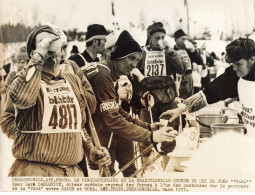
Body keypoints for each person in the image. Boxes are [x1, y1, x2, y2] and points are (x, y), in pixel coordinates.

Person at [3, 25, 111, 177]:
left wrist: (90, 149)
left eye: (56, 48)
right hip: (37, 172)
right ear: (34, 53)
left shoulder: (71, 79)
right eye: (45, 49)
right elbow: (21, 98)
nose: (53, 55)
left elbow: (78, 125)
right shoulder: (24, 80)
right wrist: (29, 139)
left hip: (72, 172)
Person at [84, 30, 178, 176]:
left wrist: (148, 126)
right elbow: (112, 119)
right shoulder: (102, 75)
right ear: (118, 56)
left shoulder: (106, 73)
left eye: (137, 61)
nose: (134, 65)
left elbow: (117, 110)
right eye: (131, 59)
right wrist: (150, 136)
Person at [161, 37, 255, 137]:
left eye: (238, 64)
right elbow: (209, 93)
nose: (234, 68)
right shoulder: (234, 75)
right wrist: (181, 108)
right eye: (232, 64)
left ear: (252, 60)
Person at [131, 22, 185, 169]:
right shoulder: (142, 53)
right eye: (157, 37)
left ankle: (166, 168)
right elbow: (134, 74)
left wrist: (172, 52)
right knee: (147, 134)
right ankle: (146, 169)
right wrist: (138, 98)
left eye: (163, 37)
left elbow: (181, 69)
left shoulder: (168, 53)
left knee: (168, 136)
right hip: (148, 99)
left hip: (167, 100)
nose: (160, 40)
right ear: (150, 38)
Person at [173, 29, 203, 99]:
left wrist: (193, 50)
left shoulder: (188, 51)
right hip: (180, 80)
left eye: (186, 39)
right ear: (176, 40)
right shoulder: (172, 52)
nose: (185, 41)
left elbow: (200, 61)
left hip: (190, 80)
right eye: (183, 39)